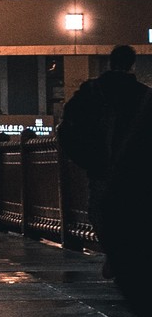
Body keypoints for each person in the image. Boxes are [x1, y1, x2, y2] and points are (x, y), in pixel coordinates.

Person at [61, 46, 151, 291]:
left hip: (101, 166)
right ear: (133, 65)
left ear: (109, 63)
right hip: (135, 170)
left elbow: (67, 128)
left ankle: (114, 252)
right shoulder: (144, 96)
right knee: (135, 214)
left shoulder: (91, 92)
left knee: (98, 211)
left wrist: (84, 157)